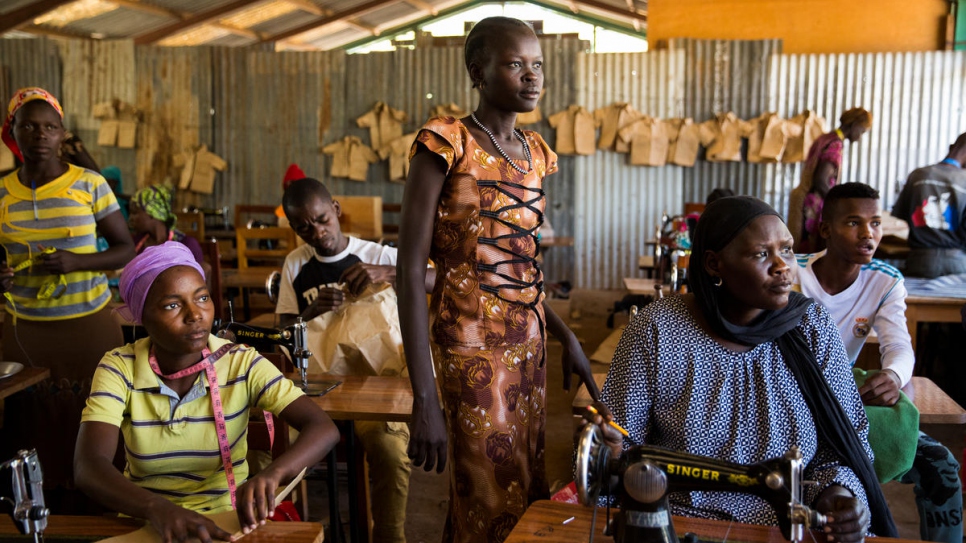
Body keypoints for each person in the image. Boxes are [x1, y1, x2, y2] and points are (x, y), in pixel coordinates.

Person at [590, 196, 897, 541]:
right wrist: (609, 451)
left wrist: (839, 497)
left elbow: (841, 446)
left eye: (787, 250)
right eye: (761, 254)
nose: (783, 266)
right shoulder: (657, 329)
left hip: (787, 523)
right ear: (713, 263)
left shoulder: (811, 327)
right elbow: (615, 454)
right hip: (678, 523)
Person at [398, 16, 597, 543]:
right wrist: (424, 398)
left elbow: (522, 271)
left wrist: (567, 335)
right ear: (477, 71)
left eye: (537, 65)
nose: (532, 77)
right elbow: (408, 268)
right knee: (486, 493)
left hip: (530, 346)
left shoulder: (536, 153)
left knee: (525, 487)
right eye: (515, 64)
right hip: (468, 352)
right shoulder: (446, 143)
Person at [75, 242, 339, 543]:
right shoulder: (119, 368)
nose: (195, 314)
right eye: (172, 305)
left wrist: (272, 474)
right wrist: (155, 508)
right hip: (145, 522)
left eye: (202, 298)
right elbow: (88, 466)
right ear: (142, 316)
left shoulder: (241, 362)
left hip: (228, 520)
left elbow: (323, 428)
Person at [794, 182, 962, 543]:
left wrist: (892, 373)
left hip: (844, 402)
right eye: (853, 223)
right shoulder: (792, 274)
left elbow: (899, 345)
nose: (868, 234)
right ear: (825, 229)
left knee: (942, 467)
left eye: (875, 223)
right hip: (789, 403)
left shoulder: (884, 282)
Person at [0, 87, 135, 511]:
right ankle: (34, 509)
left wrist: (77, 262)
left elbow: (125, 248)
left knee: (96, 415)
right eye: (28, 126)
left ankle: (98, 506)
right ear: (13, 133)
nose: (39, 134)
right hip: (23, 331)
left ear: (63, 134)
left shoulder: (89, 184)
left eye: (49, 127)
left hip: (87, 326)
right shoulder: (2, 193)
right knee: (25, 423)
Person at [276, 176, 431, 543]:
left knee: (390, 451)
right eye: (303, 228)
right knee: (270, 443)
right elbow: (282, 332)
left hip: (373, 385)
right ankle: (286, 529)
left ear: (336, 209)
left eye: (321, 219)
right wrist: (309, 312)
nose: (316, 232)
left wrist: (388, 273)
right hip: (317, 387)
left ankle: (389, 536)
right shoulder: (295, 265)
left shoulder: (378, 255)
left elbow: (438, 280)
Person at [788, 108, 872, 253]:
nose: (859, 137)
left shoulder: (824, 138)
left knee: (798, 250)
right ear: (855, 125)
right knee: (810, 252)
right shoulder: (835, 144)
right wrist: (840, 204)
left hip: (801, 197)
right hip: (812, 203)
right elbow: (821, 181)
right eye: (862, 131)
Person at [892, 133, 966, 278]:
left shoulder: (918, 175)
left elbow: (904, 216)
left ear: (951, 147)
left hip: (920, 261)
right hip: (957, 263)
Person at [129, 184, 204, 266]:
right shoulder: (135, 242)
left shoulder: (186, 245)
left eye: (135, 213)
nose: (131, 218)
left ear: (152, 213)